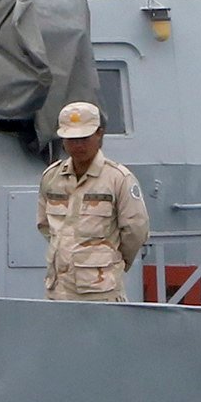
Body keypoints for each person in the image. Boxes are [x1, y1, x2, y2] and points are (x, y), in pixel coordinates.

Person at [37, 99, 148, 302]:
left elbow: (135, 230)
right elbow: (45, 225)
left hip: (100, 292)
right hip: (57, 290)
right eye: (71, 139)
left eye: (85, 137)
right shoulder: (51, 177)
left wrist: (109, 262)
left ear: (100, 134)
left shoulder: (118, 179)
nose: (78, 145)